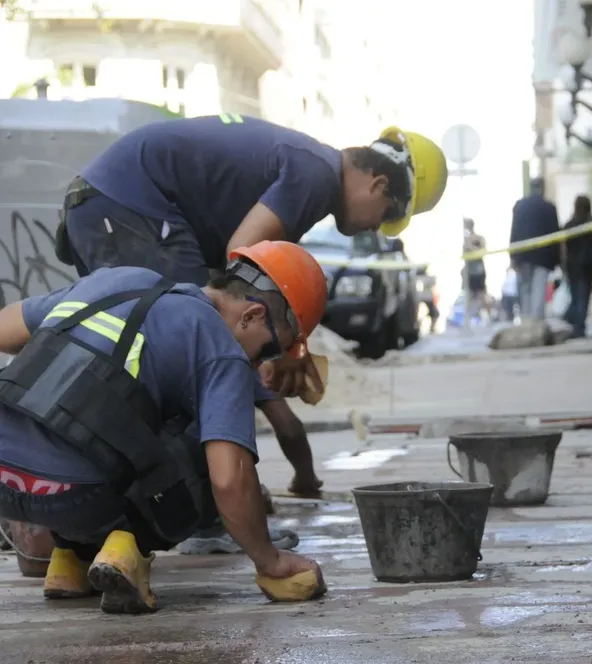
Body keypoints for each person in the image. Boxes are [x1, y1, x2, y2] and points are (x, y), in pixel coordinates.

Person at [53, 115, 448, 553]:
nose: (377, 229)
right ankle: (205, 520)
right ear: (377, 185)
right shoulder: (316, 175)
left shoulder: (307, 165)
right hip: (131, 205)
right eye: (388, 217)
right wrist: (287, 352)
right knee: (195, 353)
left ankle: (86, 528)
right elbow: (242, 264)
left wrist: (275, 365)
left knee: (137, 369)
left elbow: (240, 296)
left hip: (107, 201)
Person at [0, 241, 330, 614]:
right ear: (251, 316)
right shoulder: (221, 349)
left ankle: (70, 561)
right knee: (211, 445)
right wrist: (269, 561)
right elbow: (229, 481)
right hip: (78, 497)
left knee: (96, 423)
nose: (260, 365)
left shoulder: (116, 280)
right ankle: (129, 546)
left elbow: (4, 329)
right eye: (270, 351)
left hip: (4, 486)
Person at [510, 178, 561, 320]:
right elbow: (555, 233)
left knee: (525, 289)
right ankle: (537, 322)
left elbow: (514, 231)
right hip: (543, 256)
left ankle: (526, 321)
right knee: (539, 288)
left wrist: (513, 255)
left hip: (522, 254)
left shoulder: (519, 206)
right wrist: (557, 259)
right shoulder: (549, 207)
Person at [561, 196, 592, 339]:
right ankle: (579, 326)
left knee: (575, 296)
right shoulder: (590, 224)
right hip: (587, 265)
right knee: (583, 297)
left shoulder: (569, 225)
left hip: (572, 265)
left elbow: (564, 248)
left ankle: (574, 324)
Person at [462, 218, 488, 322]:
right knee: (469, 295)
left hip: (478, 270)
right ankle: (468, 319)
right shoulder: (465, 240)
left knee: (481, 294)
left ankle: (487, 316)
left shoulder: (478, 238)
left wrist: (470, 246)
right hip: (468, 271)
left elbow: (483, 250)